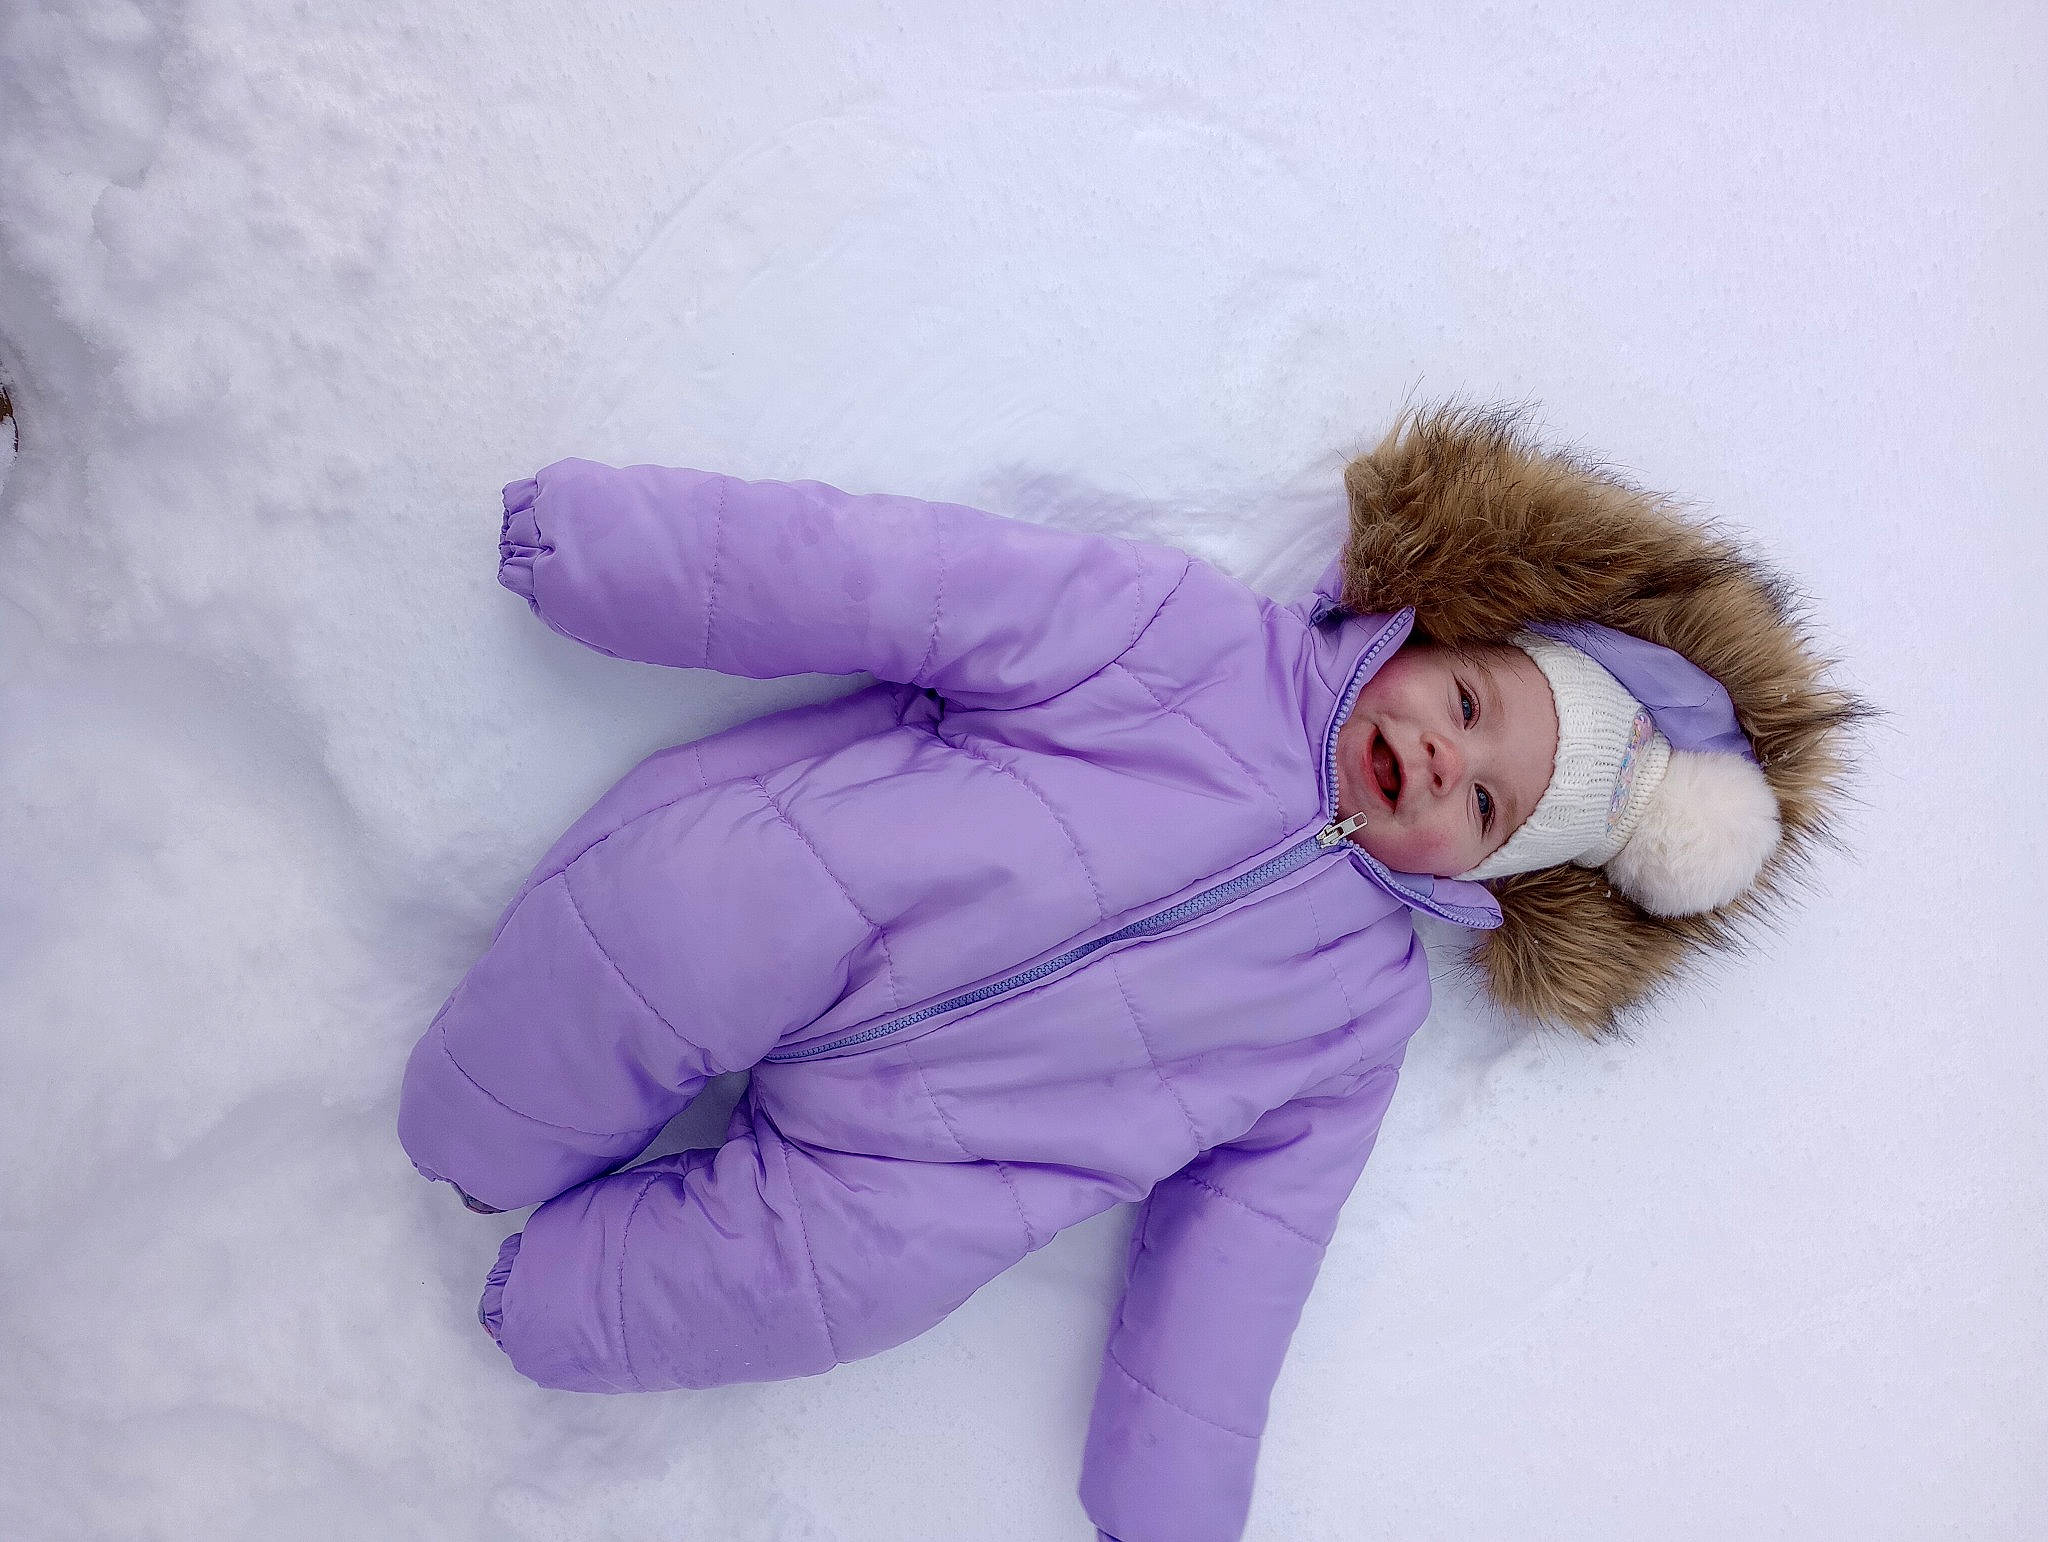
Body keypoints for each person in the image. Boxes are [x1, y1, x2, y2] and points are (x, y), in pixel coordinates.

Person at [397, 401, 1866, 1542]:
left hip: (930, 1163)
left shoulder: (1357, 1020)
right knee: (681, 908)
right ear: (1434, 631)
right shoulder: (1183, 642)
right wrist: (617, 549)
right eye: (1473, 704)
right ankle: (480, 1130)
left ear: (1488, 881)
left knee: (857, 1279)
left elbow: (1249, 1245)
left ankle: (561, 1294)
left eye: (1484, 803)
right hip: (841, 889)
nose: (1442, 758)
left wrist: (1178, 1492)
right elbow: (903, 581)